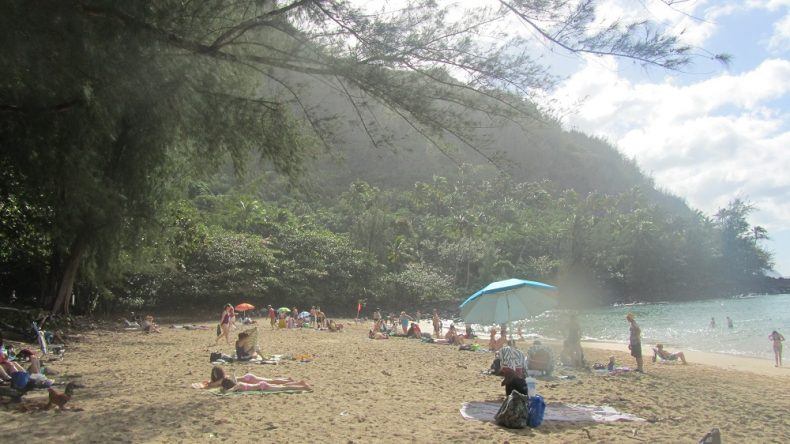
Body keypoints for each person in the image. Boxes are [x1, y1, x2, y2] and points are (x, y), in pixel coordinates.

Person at [203, 366, 311, 392]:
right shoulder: (227, 378)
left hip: (258, 385)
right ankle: (294, 382)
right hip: (249, 378)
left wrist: (212, 384)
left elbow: (212, 385)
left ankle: (301, 386)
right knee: (274, 382)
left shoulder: (224, 381)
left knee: (281, 387)